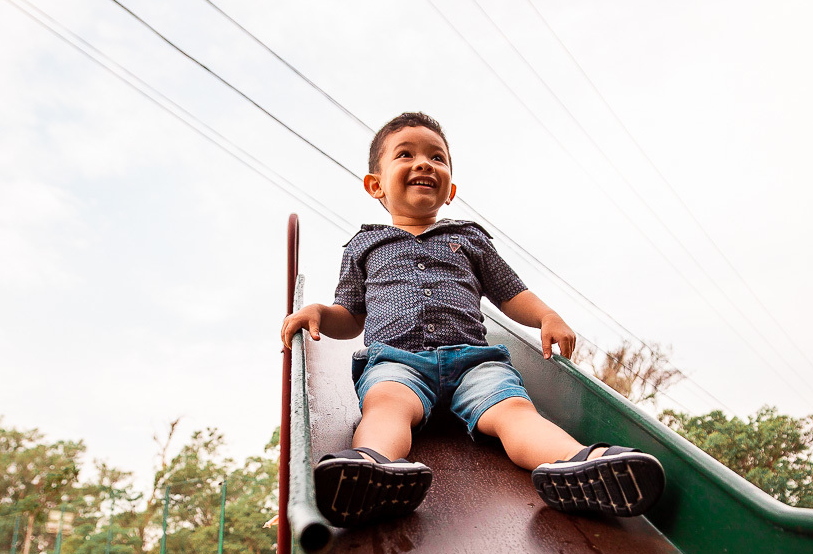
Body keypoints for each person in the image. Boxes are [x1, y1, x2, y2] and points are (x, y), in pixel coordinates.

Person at [280, 112, 664, 527]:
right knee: (386, 404)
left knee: (513, 409)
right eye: (405, 154)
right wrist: (319, 313)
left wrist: (546, 316)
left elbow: (510, 292)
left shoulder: (468, 237)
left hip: (473, 362)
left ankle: (579, 463)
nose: (424, 164)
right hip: (397, 360)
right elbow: (351, 314)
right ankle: (371, 466)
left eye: (437, 158)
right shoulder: (365, 245)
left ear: (450, 191)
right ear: (376, 185)